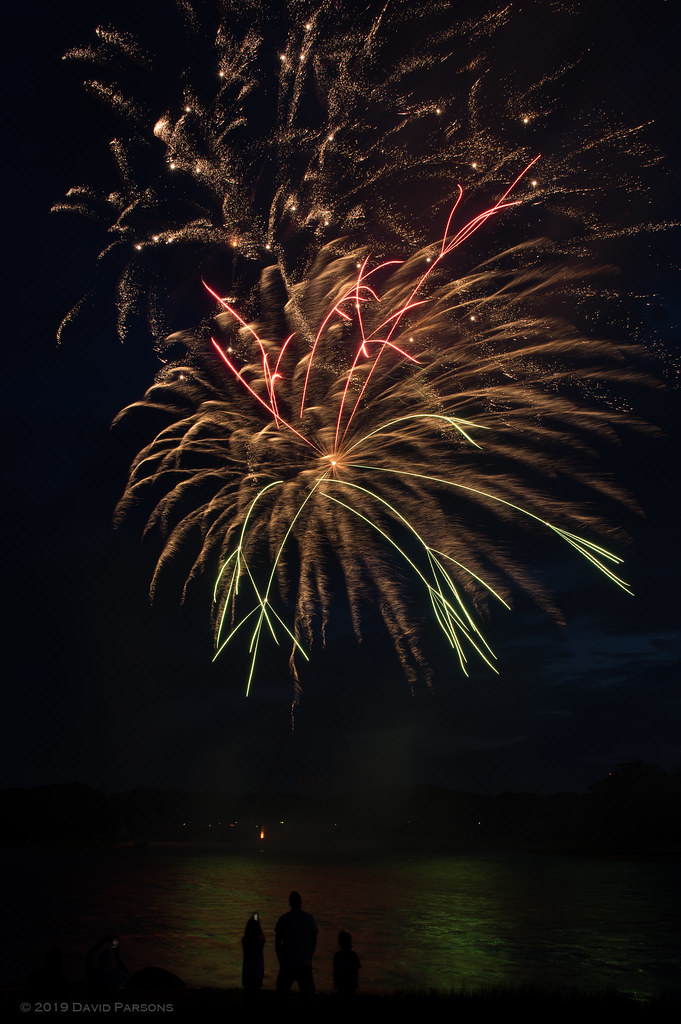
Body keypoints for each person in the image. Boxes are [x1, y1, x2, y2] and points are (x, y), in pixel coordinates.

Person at [274, 891, 318, 997]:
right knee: (308, 994)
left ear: (290, 903)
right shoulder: (309, 919)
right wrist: (309, 957)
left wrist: (281, 960)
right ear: (301, 902)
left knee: (281, 993)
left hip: (287, 963)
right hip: (303, 962)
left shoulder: (283, 919)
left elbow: (277, 943)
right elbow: (314, 941)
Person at [241, 912, 265, 994]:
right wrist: (258, 923)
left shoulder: (245, 941)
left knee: (247, 994)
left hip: (246, 971)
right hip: (257, 972)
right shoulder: (260, 941)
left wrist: (253, 922)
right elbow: (262, 937)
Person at [333, 930, 360, 997]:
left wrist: (335, 983)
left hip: (344, 984)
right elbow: (356, 971)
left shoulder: (338, 955)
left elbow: (335, 971)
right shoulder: (353, 955)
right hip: (349, 984)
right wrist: (356, 982)